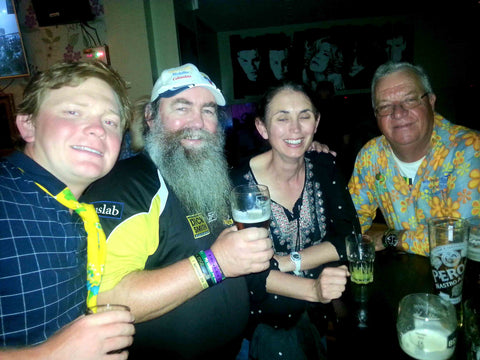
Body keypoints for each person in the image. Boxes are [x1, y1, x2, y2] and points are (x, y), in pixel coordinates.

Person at [80, 63, 273, 359]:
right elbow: (106, 298)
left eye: (208, 111)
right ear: (151, 117)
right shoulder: (127, 186)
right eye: (181, 108)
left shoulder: (214, 176)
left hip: (237, 349)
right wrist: (215, 263)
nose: (197, 122)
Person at [0, 61, 135, 359]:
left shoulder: (81, 214)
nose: (98, 130)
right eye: (73, 112)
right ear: (28, 125)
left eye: (110, 121)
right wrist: (49, 355)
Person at [230, 82, 360, 359]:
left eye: (304, 116)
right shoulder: (237, 187)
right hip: (257, 333)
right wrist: (313, 288)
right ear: (262, 128)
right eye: (282, 118)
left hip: (315, 322)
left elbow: (349, 238)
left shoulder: (325, 167)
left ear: (316, 123)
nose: (295, 128)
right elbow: (248, 274)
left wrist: (288, 261)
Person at [348, 62, 480, 256]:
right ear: (376, 116)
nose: (398, 113)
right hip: (405, 277)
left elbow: (463, 238)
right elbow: (350, 219)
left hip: (462, 279)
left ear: (431, 102)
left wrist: (391, 238)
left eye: (410, 100)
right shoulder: (371, 156)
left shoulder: (467, 149)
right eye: (385, 106)